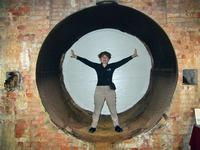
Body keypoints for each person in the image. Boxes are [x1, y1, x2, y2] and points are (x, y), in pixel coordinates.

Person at [71, 49, 138, 133]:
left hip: (110, 90)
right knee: (97, 109)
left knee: (113, 109)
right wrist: (76, 57)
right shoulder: (97, 66)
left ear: (108, 59)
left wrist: (132, 56)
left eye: (106, 57)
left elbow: (122, 62)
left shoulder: (112, 66)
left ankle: (117, 125)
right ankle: (93, 126)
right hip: (99, 90)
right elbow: (87, 62)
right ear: (100, 59)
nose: (104, 58)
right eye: (103, 57)